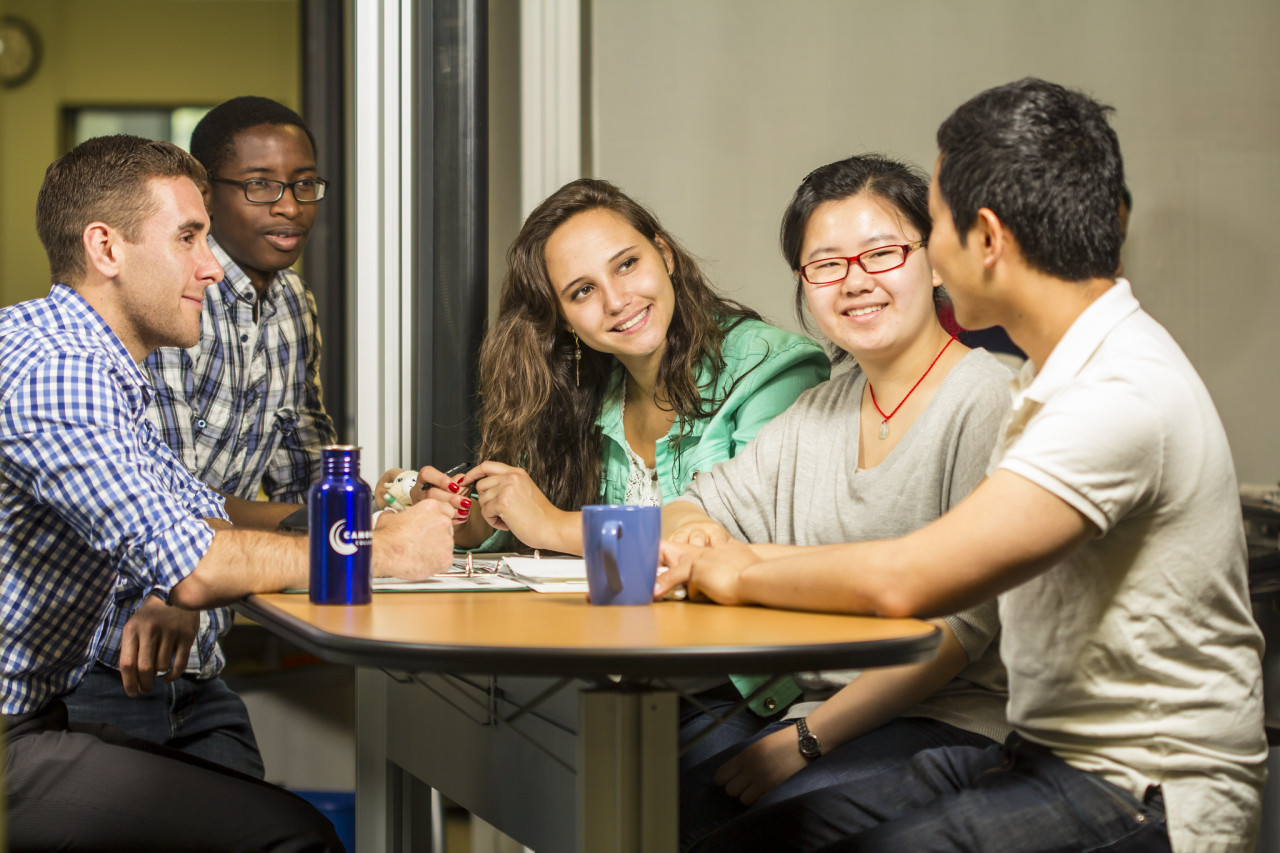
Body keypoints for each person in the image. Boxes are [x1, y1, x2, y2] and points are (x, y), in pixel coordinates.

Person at [658, 78, 1265, 853]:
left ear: (983, 240)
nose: (923, 255)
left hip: (1142, 785)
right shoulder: (1056, 373)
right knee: (740, 837)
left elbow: (908, 579)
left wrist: (738, 573)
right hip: (1043, 755)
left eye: (929, 228)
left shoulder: (1113, 393)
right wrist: (728, 553)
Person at [0, 133, 454, 850]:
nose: (211, 268)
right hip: (15, 739)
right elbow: (193, 563)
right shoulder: (64, 374)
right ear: (106, 249)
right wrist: (378, 548)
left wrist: (379, 508)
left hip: (36, 719)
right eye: (188, 238)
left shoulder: (91, 361)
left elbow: (198, 505)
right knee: (292, 835)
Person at [665, 155, 1012, 849]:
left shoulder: (990, 398)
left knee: (719, 828)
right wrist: (701, 536)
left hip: (951, 722)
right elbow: (692, 506)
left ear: (936, 260)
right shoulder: (817, 409)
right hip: (805, 706)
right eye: (825, 264)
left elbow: (959, 635)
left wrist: (803, 740)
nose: (855, 280)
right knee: (641, 794)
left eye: (881, 253)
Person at [61, 96, 336, 778]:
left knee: (272, 821)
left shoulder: (293, 305)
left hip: (201, 652)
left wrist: (371, 506)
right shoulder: (168, 298)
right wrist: (173, 584)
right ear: (210, 196)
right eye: (262, 185)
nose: (291, 206)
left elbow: (304, 465)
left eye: (305, 184)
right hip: (114, 656)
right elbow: (156, 485)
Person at [379, 177, 830, 555]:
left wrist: (554, 526)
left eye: (627, 265)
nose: (617, 301)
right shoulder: (581, 385)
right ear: (562, 318)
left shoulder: (775, 369)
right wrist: (458, 516)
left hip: (726, 655)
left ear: (665, 255)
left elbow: (732, 539)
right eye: (582, 291)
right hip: (612, 648)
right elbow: (514, 520)